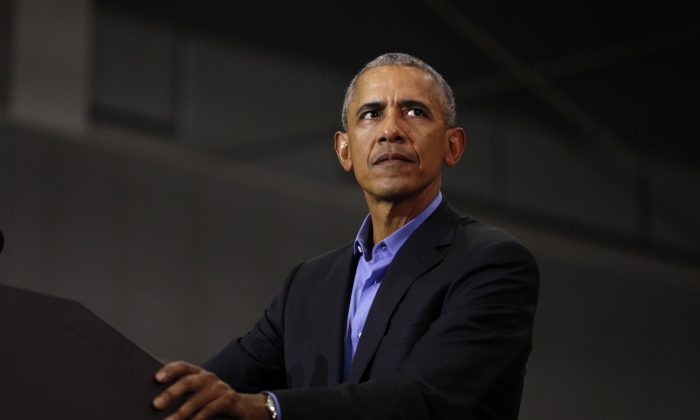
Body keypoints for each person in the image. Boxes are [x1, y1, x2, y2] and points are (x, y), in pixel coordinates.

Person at [152, 52, 539, 420]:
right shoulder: (308, 285)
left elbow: (423, 399)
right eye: (371, 114)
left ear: (452, 146)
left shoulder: (491, 263)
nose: (391, 130)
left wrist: (267, 410)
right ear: (344, 150)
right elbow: (217, 389)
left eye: (414, 112)